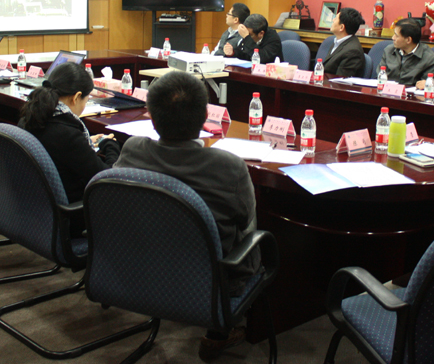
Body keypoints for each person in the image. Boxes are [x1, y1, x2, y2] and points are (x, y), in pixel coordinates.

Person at [113, 71, 258, 361]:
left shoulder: (132, 149)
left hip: (140, 265)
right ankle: (221, 330)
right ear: (205, 116)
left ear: (152, 117)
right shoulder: (229, 166)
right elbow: (247, 224)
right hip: (212, 282)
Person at [19, 62, 119, 236]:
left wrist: (86, 143)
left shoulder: (31, 118)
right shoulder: (67, 135)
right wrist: (111, 146)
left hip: (36, 210)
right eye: (87, 100)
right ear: (76, 97)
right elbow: (106, 178)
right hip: (71, 215)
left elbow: (61, 148)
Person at [379, 19, 434, 86]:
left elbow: (429, 85)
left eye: (396, 35)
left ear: (408, 40)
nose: (393, 38)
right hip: (388, 90)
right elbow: (380, 75)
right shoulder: (389, 51)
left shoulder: (429, 59)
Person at [322, 7, 366, 78]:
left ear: (341, 27)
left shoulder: (352, 52)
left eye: (335, 19)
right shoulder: (338, 42)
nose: (333, 20)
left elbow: (340, 81)